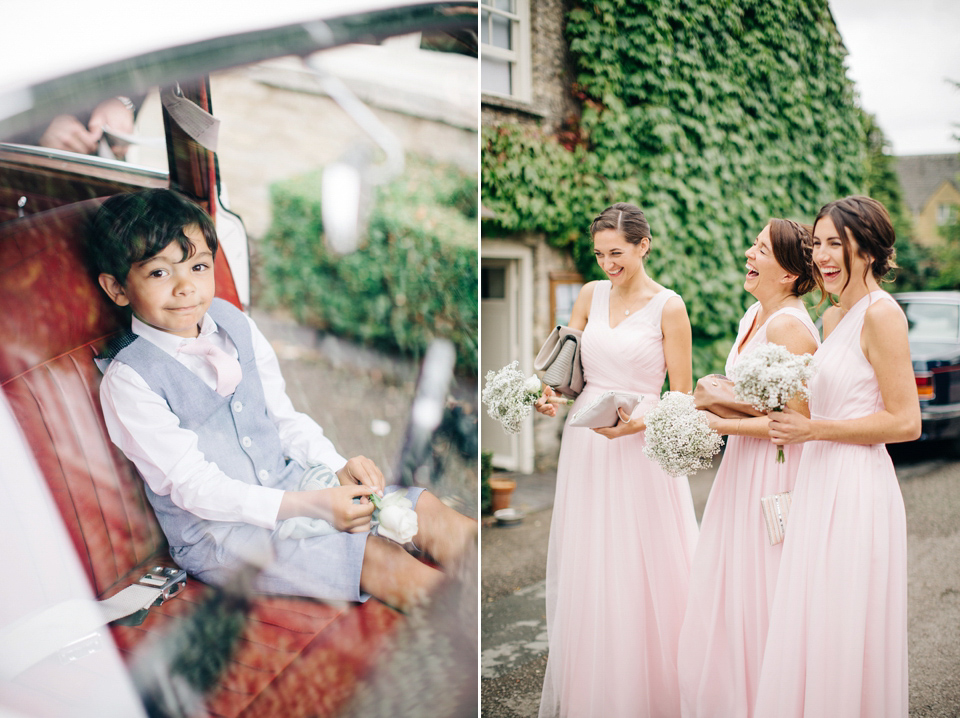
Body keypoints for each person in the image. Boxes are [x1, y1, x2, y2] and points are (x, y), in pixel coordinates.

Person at [90, 188, 476, 612]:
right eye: (160, 274)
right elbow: (194, 489)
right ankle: (463, 635)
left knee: (427, 510)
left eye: (199, 266)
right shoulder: (130, 380)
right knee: (378, 556)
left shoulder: (235, 325)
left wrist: (337, 468)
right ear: (117, 288)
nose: (186, 288)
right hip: (225, 537)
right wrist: (309, 506)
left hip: (294, 485)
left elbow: (284, 418)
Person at [754, 196, 920, 717]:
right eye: (818, 243)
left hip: (856, 488)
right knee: (811, 622)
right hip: (818, 481)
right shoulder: (832, 317)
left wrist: (813, 429)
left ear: (867, 251)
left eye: (836, 245)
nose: (822, 256)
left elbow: (905, 422)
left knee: (843, 626)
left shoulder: (882, 316)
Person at [535, 202, 699, 717]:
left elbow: (682, 395)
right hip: (588, 443)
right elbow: (568, 367)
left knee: (643, 565)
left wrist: (638, 423)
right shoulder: (589, 294)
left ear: (643, 246)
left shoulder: (669, 307)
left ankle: (655, 694)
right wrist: (547, 394)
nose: (608, 264)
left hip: (640, 446)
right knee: (592, 561)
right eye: (601, 254)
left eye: (618, 253)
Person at [677, 219, 820, 717]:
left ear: (787, 273)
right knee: (731, 588)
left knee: (764, 590)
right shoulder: (753, 316)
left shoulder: (790, 327)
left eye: (760, 249)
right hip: (741, 465)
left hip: (774, 472)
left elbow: (797, 422)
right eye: (753, 244)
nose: (748, 253)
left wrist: (717, 428)